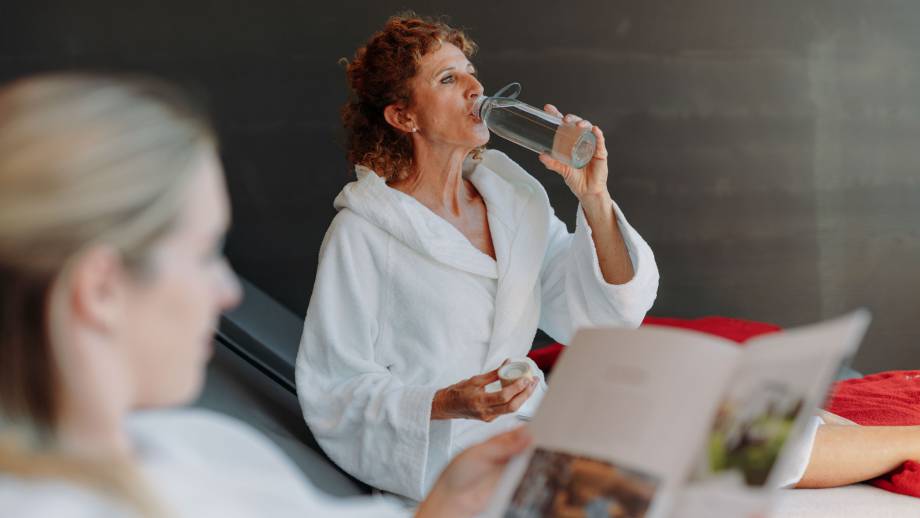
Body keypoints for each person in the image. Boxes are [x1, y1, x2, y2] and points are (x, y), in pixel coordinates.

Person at [0, 73, 531, 518]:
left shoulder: (199, 451)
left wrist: (450, 500)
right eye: (204, 253)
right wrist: (442, 408)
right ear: (100, 289)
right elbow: (339, 385)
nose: (229, 293)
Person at [296, 13, 660, 500]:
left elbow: (601, 314)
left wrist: (593, 197)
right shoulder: (363, 233)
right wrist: (448, 402)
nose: (475, 87)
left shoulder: (514, 200)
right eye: (448, 79)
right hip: (445, 456)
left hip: (529, 431)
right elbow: (335, 390)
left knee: (689, 441)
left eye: (470, 72)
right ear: (404, 117)